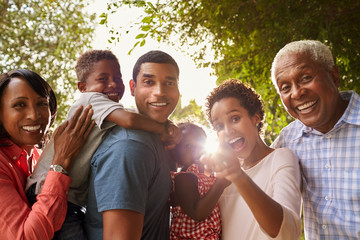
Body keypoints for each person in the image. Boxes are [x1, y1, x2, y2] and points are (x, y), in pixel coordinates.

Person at [26, 49, 180, 239]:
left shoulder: (113, 111)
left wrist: (168, 125)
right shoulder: (92, 100)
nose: (113, 84)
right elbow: (131, 120)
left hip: (69, 197)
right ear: (83, 87)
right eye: (103, 79)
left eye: (117, 77)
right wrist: (163, 130)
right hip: (47, 190)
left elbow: (135, 116)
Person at [85, 50, 180, 239]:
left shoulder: (154, 138)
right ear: (132, 87)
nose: (159, 92)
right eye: (149, 82)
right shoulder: (130, 146)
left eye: (169, 83)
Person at [271, 40, 360, 239]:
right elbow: (253, 165)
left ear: (334, 76)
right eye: (285, 87)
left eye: (306, 77)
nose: (296, 92)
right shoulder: (288, 139)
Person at [201, 79, 302, 239]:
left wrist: (237, 175)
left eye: (235, 118)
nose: (227, 131)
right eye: (219, 126)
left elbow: (286, 232)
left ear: (256, 117)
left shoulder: (280, 158)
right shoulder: (221, 177)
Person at [0, 69, 94, 239]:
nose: (34, 115)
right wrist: (61, 163)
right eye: (20, 104)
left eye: (42, 103)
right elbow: (26, 236)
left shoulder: (37, 156)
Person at [169, 122, 229, 240]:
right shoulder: (183, 178)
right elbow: (198, 213)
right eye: (188, 146)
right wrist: (221, 184)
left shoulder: (208, 177)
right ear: (176, 155)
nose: (197, 150)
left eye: (200, 143)